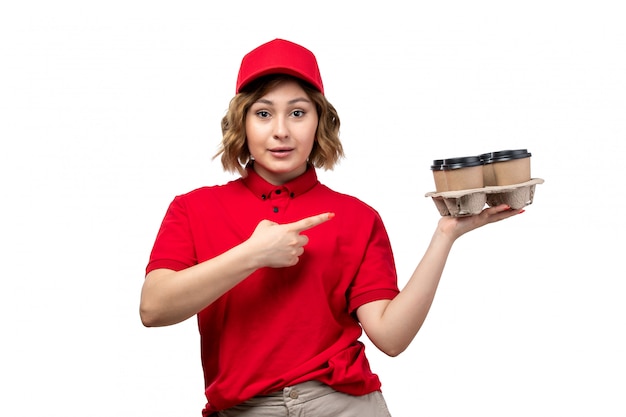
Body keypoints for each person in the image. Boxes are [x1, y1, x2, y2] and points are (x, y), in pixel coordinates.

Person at [140, 38, 524, 417]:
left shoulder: (357, 217)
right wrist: (253, 254)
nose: (281, 131)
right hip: (244, 409)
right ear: (241, 121)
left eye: (297, 112)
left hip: (343, 405)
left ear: (320, 121)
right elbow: (153, 309)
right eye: (263, 113)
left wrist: (446, 235)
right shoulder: (193, 208)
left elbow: (390, 338)